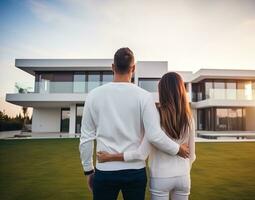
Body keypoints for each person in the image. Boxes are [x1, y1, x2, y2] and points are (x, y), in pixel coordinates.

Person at [79, 47, 190, 200]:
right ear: (133, 68)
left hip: (104, 171)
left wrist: (88, 171)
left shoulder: (93, 96)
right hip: (135, 172)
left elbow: (86, 138)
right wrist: (178, 149)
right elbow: (154, 134)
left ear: (113, 67)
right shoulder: (144, 97)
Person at [97, 72, 196, 200]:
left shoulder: (155, 115)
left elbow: (141, 153)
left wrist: (110, 157)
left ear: (162, 91)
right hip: (184, 177)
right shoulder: (189, 118)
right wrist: (183, 170)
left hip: (161, 177)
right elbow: (192, 156)